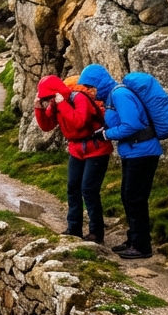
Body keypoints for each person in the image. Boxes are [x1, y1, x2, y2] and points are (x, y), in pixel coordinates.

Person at [78, 64, 162, 260]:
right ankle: (133, 239)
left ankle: (142, 246)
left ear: (100, 82)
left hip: (142, 152)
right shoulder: (112, 96)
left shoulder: (119, 95)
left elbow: (131, 124)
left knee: (135, 198)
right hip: (134, 152)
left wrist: (107, 134)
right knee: (128, 196)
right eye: (87, 88)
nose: (89, 91)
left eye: (91, 86)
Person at [34, 75, 112, 244]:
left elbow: (79, 122)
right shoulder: (57, 102)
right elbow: (47, 126)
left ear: (55, 93)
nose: (48, 101)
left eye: (48, 98)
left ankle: (96, 233)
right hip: (77, 150)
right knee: (73, 187)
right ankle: (74, 228)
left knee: (89, 190)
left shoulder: (79, 98)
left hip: (97, 149)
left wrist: (61, 104)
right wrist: (39, 109)